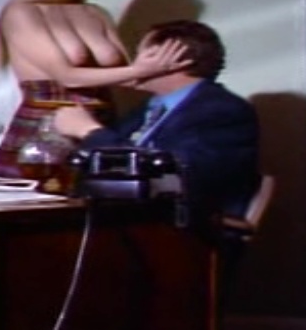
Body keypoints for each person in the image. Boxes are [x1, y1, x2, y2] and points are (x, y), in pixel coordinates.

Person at [0, 0, 190, 178]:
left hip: (101, 123)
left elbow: (127, 77)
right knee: (36, 198)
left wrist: (172, 67)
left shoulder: (96, 13)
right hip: (49, 125)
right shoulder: (22, 11)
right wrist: (140, 70)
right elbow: (67, 76)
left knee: (107, 194)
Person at [52, 19, 260, 221]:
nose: (135, 64)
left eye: (143, 55)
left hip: (178, 228)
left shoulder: (221, 110)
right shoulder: (148, 109)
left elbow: (173, 176)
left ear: (177, 59)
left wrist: (90, 131)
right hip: (126, 217)